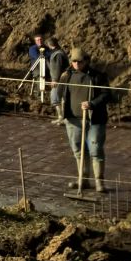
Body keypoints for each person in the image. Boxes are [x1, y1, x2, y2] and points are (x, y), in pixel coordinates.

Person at [61, 47, 112, 193]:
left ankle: (99, 182)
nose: (76, 64)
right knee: (78, 150)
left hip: (94, 119)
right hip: (73, 119)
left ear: (86, 61)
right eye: (74, 61)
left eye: (79, 61)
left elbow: (107, 95)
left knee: (95, 150)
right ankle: (83, 180)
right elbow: (60, 91)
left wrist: (92, 104)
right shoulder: (67, 75)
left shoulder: (98, 76)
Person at [45, 37, 68, 124]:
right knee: (57, 99)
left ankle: (63, 118)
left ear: (49, 44)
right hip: (59, 79)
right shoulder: (57, 52)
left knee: (57, 98)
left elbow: (58, 68)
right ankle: (61, 117)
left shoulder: (58, 54)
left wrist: (55, 79)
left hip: (59, 80)